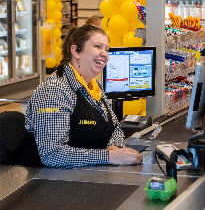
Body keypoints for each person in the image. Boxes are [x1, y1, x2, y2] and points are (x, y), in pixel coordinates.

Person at [15, 25, 143, 168]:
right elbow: (52, 154)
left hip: (87, 175)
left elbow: (115, 127)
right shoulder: (54, 90)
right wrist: (108, 156)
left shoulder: (94, 87)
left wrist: (113, 146)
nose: (105, 54)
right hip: (49, 183)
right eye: (98, 46)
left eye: (106, 49)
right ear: (76, 51)